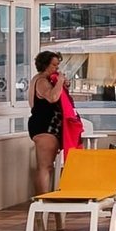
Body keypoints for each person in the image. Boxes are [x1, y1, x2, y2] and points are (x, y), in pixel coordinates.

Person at [28, 51, 77, 195]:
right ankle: (42, 201)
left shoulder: (40, 79)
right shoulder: (42, 81)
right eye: (54, 65)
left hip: (45, 126)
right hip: (45, 127)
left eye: (58, 65)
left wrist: (61, 84)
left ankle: (43, 202)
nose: (57, 69)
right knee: (45, 167)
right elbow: (52, 97)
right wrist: (60, 82)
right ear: (45, 65)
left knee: (46, 166)